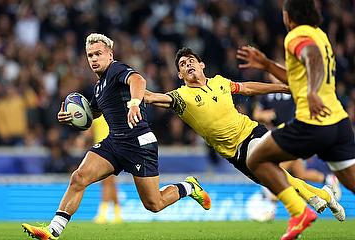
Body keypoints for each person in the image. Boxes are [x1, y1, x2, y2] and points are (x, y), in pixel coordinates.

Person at [22, 33, 211, 240]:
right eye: (90, 55)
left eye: (98, 54)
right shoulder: (98, 87)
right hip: (114, 142)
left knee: (154, 204)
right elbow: (92, 115)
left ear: (109, 55)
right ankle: (53, 230)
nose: (94, 59)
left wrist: (135, 102)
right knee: (78, 177)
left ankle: (189, 186)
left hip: (139, 142)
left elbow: (138, 80)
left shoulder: (116, 69)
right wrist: (71, 117)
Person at [144, 46, 344, 222]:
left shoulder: (220, 82)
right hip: (234, 154)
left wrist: (283, 87)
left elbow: (248, 88)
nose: (188, 65)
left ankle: (312, 199)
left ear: (201, 64)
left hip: (251, 133)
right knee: (276, 180)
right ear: (180, 75)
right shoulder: (181, 97)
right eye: (182, 64)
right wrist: (131, 92)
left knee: (268, 166)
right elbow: (152, 97)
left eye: (191, 61)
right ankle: (324, 195)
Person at [238, 1, 355, 239]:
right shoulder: (320, 35)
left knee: (256, 158)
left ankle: (298, 212)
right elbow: (295, 81)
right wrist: (268, 65)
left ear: (288, 16)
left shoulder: (296, 35)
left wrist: (312, 91)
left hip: (312, 123)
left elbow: (312, 58)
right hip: (338, 122)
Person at [91, 116, 122, 224]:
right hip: (101, 149)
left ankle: (102, 214)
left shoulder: (109, 109)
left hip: (112, 148)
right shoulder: (96, 110)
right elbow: (91, 131)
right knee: (111, 183)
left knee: (107, 182)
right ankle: (118, 213)